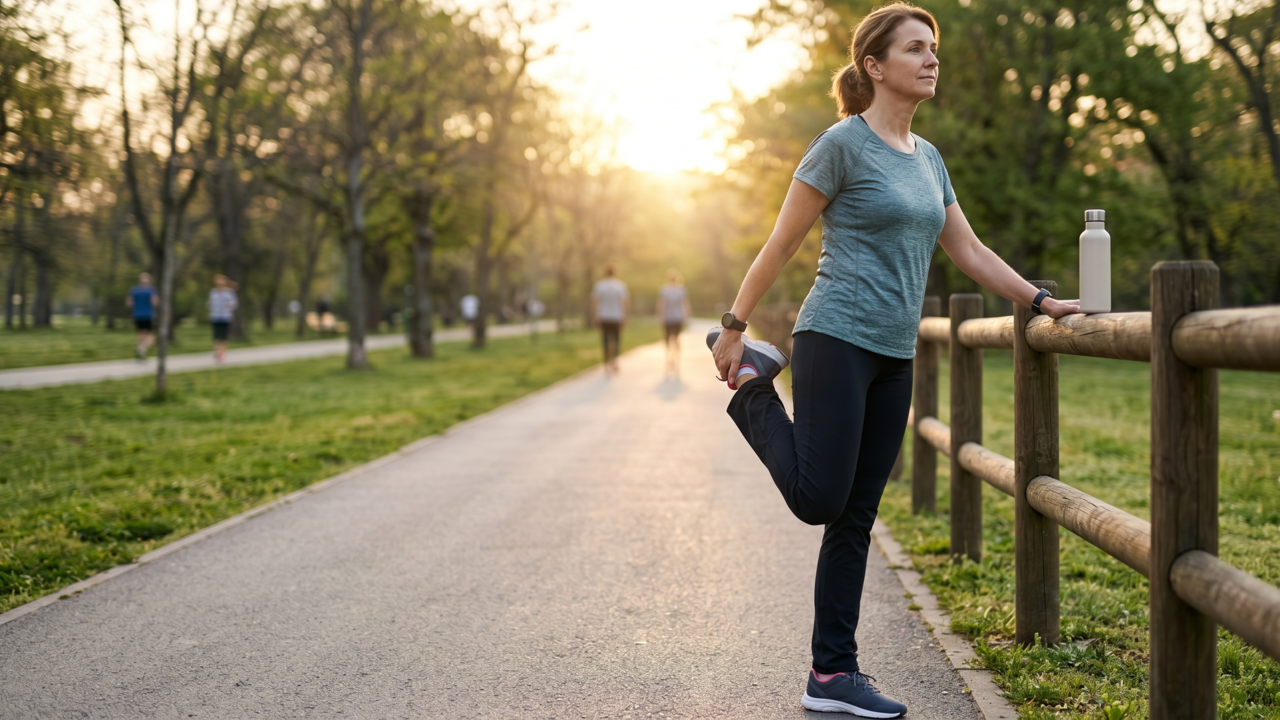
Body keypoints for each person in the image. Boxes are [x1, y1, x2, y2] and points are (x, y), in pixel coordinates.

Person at [706, 4, 1080, 717]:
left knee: (855, 515)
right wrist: (734, 327)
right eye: (916, 48)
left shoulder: (929, 157)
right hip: (836, 338)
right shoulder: (841, 145)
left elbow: (966, 250)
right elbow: (782, 241)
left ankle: (831, 675)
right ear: (875, 66)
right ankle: (754, 383)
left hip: (893, 353)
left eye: (933, 47)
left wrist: (1037, 300)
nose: (931, 58)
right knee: (820, 499)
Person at [591, 264, 629, 374]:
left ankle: (606, 364)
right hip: (617, 316)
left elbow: (595, 303)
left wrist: (594, 317)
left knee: (605, 340)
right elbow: (624, 303)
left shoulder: (599, 286)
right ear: (615, 273)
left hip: (603, 316)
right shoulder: (621, 286)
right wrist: (625, 317)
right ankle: (615, 361)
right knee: (617, 340)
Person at [655, 269, 691, 372]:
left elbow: (661, 304)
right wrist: (687, 316)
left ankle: (668, 358)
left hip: (667, 317)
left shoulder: (664, 290)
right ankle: (676, 359)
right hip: (678, 317)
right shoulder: (681, 290)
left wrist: (660, 315)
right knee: (677, 338)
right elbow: (685, 304)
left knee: (667, 339)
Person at [125, 272, 159, 360]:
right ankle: (142, 348)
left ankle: (141, 355)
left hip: (137, 315)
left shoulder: (134, 290)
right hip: (148, 315)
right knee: (151, 336)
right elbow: (154, 302)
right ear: (149, 281)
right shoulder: (151, 290)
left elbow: (129, 303)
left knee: (141, 333)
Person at [208, 275, 239, 365]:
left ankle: (222, 353)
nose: (219, 285)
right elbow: (211, 303)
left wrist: (228, 306)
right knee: (216, 335)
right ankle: (217, 352)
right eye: (217, 284)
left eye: (221, 284)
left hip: (225, 317)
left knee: (224, 336)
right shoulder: (213, 292)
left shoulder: (229, 293)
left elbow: (234, 304)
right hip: (215, 316)